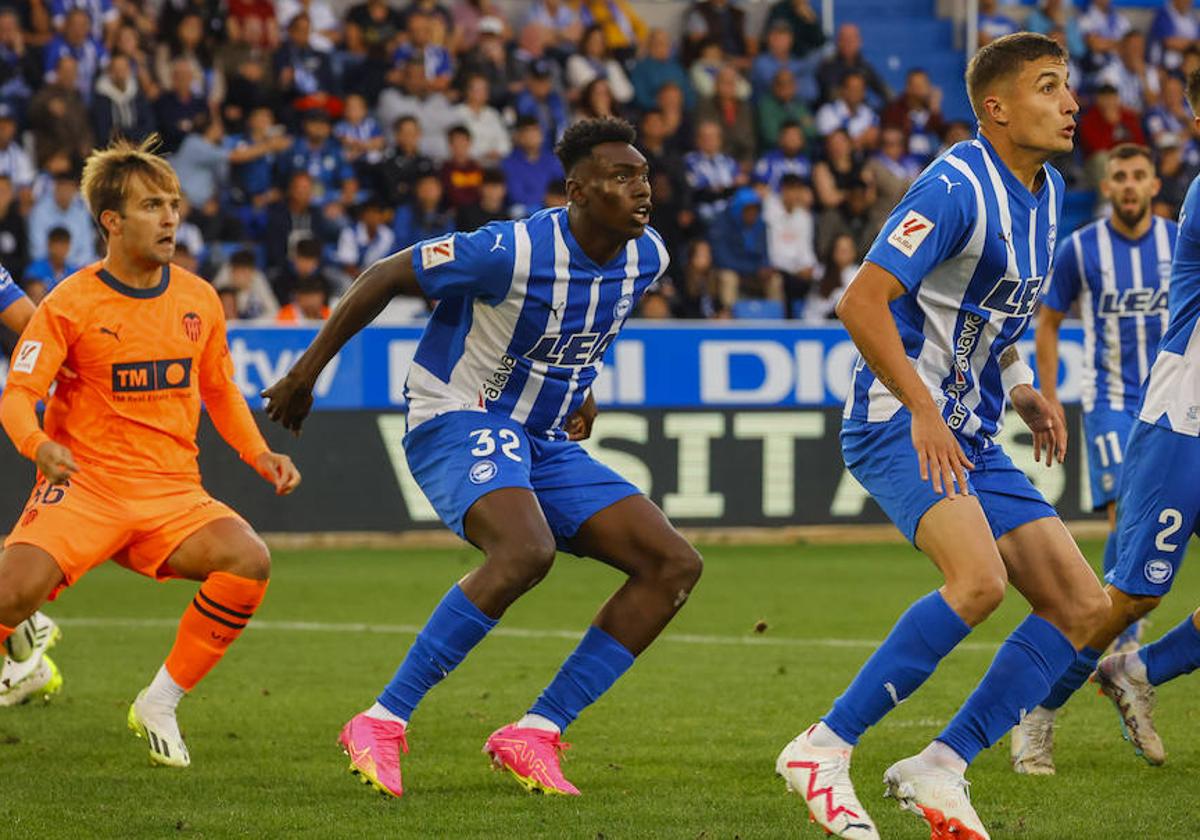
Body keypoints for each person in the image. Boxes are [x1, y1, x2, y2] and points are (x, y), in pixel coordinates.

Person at [261, 117, 702, 799]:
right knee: (524, 552)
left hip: (543, 437)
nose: (641, 188)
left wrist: (581, 390)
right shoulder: (510, 250)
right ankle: (381, 719)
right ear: (577, 191)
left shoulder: (649, 257)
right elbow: (384, 274)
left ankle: (537, 731)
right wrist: (304, 373)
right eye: (621, 176)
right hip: (458, 415)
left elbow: (586, 325)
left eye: (642, 173)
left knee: (672, 564)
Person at [776, 33, 1108, 840]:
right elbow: (862, 301)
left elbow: (997, 309)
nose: (1071, 103)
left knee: (1081, 605)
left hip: (974, 431)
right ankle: (822, 748)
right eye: (1049, 87)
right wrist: (924, 406)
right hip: (902, 423)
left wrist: (1024, 384)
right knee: (980, 583)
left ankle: (941, 765)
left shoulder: (1050, 190)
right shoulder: (954, 185)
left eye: (1069, 86)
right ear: (995, 108)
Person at [0, 137, 300, 765]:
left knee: (249, 559)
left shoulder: (198, 298)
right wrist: (40, 443)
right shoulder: (70, 303)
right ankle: (22, 653)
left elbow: (218, 388)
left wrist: (258, 454)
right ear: (111, 221)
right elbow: (19, 391)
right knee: (9, 593)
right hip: (84, 484)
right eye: (151, 206)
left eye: (173, 204)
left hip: (171, 492)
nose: (170, 219)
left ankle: (158, 701)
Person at [1021, 68, 1200, 773]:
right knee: (1126, 594)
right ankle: (1036, 708)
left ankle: (1138, 670)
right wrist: (1049, 389)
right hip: (1178, 420)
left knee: (1130, 594)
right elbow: (1052, 316)